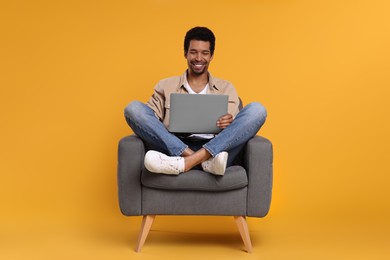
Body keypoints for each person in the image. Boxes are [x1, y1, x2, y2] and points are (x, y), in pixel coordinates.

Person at [124, 26, 267, 176]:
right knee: (133, 109)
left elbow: (234, 129)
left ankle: (187, 163)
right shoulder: (165, 86)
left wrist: (229, 122)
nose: (199, 58)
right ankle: (201, 160)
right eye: (193, 52)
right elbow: (149, 119)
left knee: (257, 110)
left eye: (205, 53)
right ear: (185, 54)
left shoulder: (226, 87)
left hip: (218, 149)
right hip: (175, 146)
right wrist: (160, 128)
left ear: (211, 56)